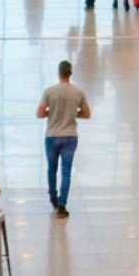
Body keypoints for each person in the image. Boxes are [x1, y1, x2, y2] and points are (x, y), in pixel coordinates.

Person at [38, 60, 89, 218]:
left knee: (52, 169)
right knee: (66, 171)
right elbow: (87, 114)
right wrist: (74, 114)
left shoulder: (49, 91)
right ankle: (62, 205)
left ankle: (53, 196)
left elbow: (39, 113)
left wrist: (50, 113)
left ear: (59, 73)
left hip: (52, 136)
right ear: (70, 73)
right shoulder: (78, 92)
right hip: (70, 136)